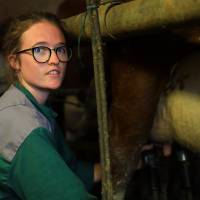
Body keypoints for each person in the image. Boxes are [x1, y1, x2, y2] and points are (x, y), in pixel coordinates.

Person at [0, 11, 101, 200]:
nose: (55, 60)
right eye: (40, 50)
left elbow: (66, 170)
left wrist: (115, 167)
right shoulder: (22, 124)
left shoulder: (31, 107)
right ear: (14, 61)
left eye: (60, 49)